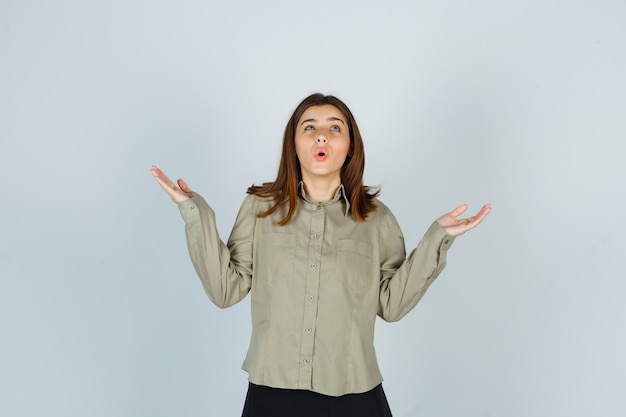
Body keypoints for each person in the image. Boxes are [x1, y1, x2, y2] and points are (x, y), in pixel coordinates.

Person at [151, 93, 491, 417]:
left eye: (335, 127)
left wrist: (438, 237)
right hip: (273, 393)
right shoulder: (260, 209)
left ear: (350, 147)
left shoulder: (376, 219)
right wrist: (196, 213)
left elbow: (392, 304)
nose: (322, 136)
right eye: (309, 127)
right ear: (294, 144)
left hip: (355, 394)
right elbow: (225, 291)